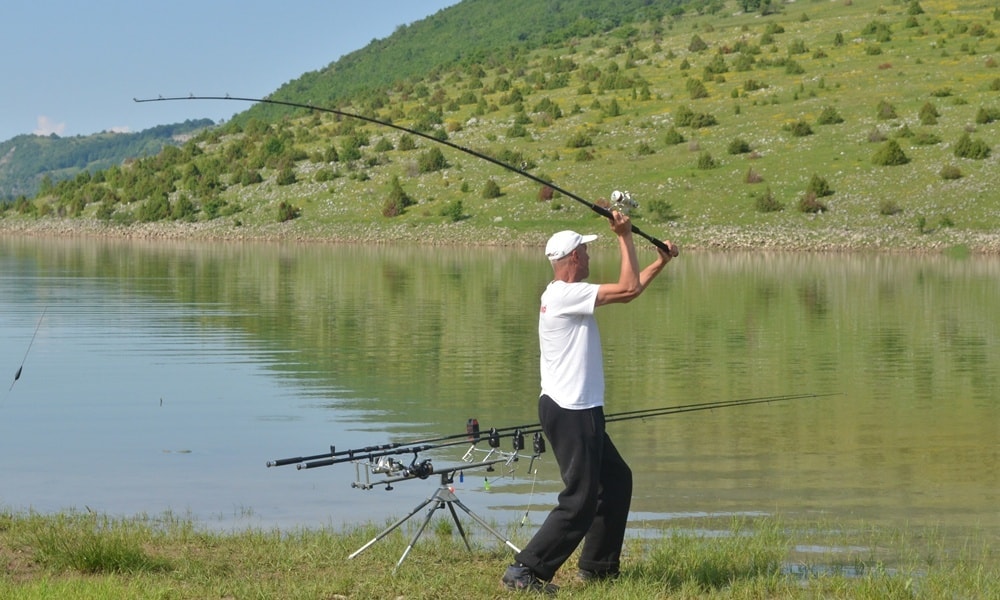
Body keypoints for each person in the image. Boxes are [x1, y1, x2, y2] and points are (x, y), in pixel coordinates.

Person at [502, 210, 678, 593]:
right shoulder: (565, 295)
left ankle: (598, 568)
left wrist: (660, 261)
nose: (590, 256)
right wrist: (624, 236)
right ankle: (524, 570)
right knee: (579, 500)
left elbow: (628, 291)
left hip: (577, 408)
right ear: (573, 259)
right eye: (586, 250)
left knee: (615, 482)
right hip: (570, 410)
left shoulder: (563, 294)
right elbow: (627, 289)